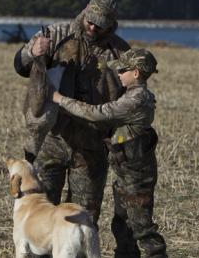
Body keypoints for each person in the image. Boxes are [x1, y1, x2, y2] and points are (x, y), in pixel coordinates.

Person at [13, 0, 130, 229]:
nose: (93, 27)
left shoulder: (120, 52)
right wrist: (32, 52)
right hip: (52, 141)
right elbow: (19, 65)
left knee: (82, 222)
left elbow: (128, 102)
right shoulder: (55, 35)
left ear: (112, 24)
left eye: (100, 25)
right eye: (91, 20)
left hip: (92, 146)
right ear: (86, 9)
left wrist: (119, 142)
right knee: (38, 214)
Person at [52, 48, 168, 258]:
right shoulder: (133, 94)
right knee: (122, 225)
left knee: (143, 230)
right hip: (126, 174)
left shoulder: (136, 99)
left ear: (136, 73)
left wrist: (61, 100)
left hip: (136, 178)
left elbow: (98, 114)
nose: (118, 74)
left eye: (123, 70)